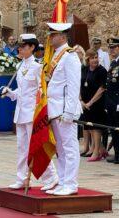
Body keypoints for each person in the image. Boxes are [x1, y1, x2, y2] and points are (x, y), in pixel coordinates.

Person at [2, 34, 58, 191]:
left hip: (32, 113)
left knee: (37, 145)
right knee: (22, 147)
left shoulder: (37, 67)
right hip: (21, 112)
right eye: (20, 46)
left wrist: (40, 111)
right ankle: (21, 178)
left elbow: (41, 91)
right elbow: (23, 90)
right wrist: (10, 93)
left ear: (32, 48)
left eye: (24, 46)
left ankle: (51, 177)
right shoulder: (21, 66)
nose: (20, 49)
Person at [45, 23, 82, 196]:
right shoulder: (57, 55)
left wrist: (69, 111)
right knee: (60, 148)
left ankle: (71, 183)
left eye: (53, 35)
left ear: (63, 36)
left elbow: (73, 86)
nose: (50, 38)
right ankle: (62, 180)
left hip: (65, 110)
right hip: (55, 109)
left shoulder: (70, 56)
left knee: (70, 147)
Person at [80, 49, 108, 162]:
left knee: (96, 127)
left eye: (96, 57)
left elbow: (102, 88)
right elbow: (79, 84)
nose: (95, 60)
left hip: (96, 103)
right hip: (85, 103)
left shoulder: (101, 70)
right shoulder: (85, 69)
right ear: (87, 59)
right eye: (92, 58)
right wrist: (81, 100)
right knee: (89, 127)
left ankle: (96, 152)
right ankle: (102, 149)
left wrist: (90, 102)